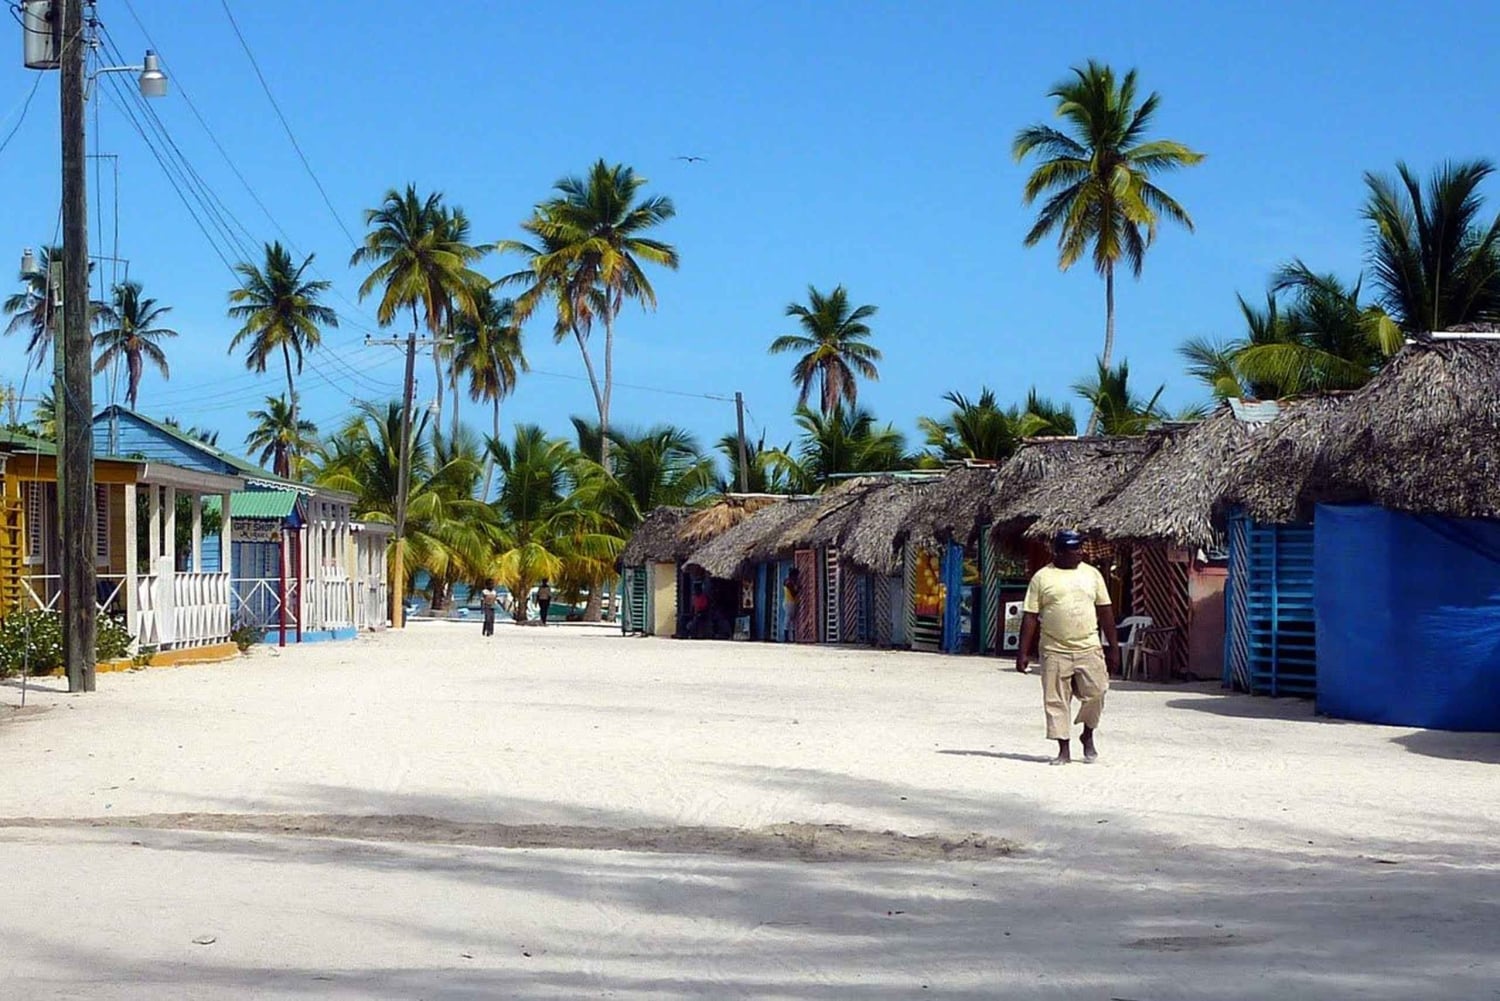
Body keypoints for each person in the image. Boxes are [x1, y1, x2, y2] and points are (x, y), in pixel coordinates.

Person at [1015, 530, 1119, 765]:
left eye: (1080, 548)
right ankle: (1063, 749)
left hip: (1089, 646)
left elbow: (1105, 611)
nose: (1080, 553)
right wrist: (1022, 653)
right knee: (1056, 700)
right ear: (1059, 552)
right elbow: (1030, 616)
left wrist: (1114, 647)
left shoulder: (1092, 575)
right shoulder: (1042, 578)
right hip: (1054, 648)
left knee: (1098, 691)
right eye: (1074, 549)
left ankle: (1087, 733)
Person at [780, 567, 801, 642]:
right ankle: (787, 637)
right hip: (790, 602)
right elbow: (793, 593)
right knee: (789, 619)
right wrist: (798, 589)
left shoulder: (786, 581)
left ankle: (791, 637)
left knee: (791, 619)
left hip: (788, 601)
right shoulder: (789, 582)